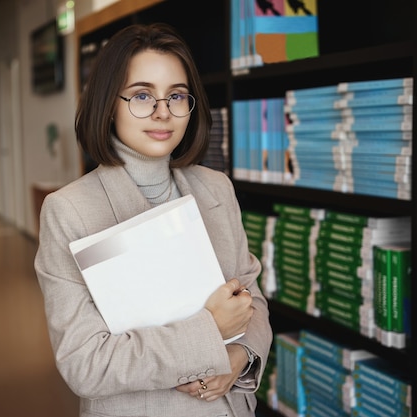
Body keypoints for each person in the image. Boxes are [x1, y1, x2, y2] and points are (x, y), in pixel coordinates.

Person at [34, 22, 272, 417]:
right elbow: (85, 362)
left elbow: (253, 299)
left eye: (176, 96)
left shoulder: (216, 188)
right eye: (142, 95)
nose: (163, 113)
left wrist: (239, 356)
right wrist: (211, 332)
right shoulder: (69, 210)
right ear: (110, 103)